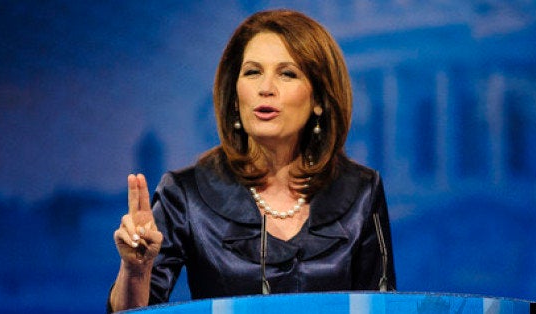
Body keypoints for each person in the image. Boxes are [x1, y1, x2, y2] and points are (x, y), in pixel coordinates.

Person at [108, 9, 396, 312]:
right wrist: (136, 270)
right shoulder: (185, 193)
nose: (265, 88)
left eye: (287, 73)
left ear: (319, 101)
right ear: (234, 96)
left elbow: (383, 305)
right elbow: (131, 313)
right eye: (252, 72)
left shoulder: (361, 191)